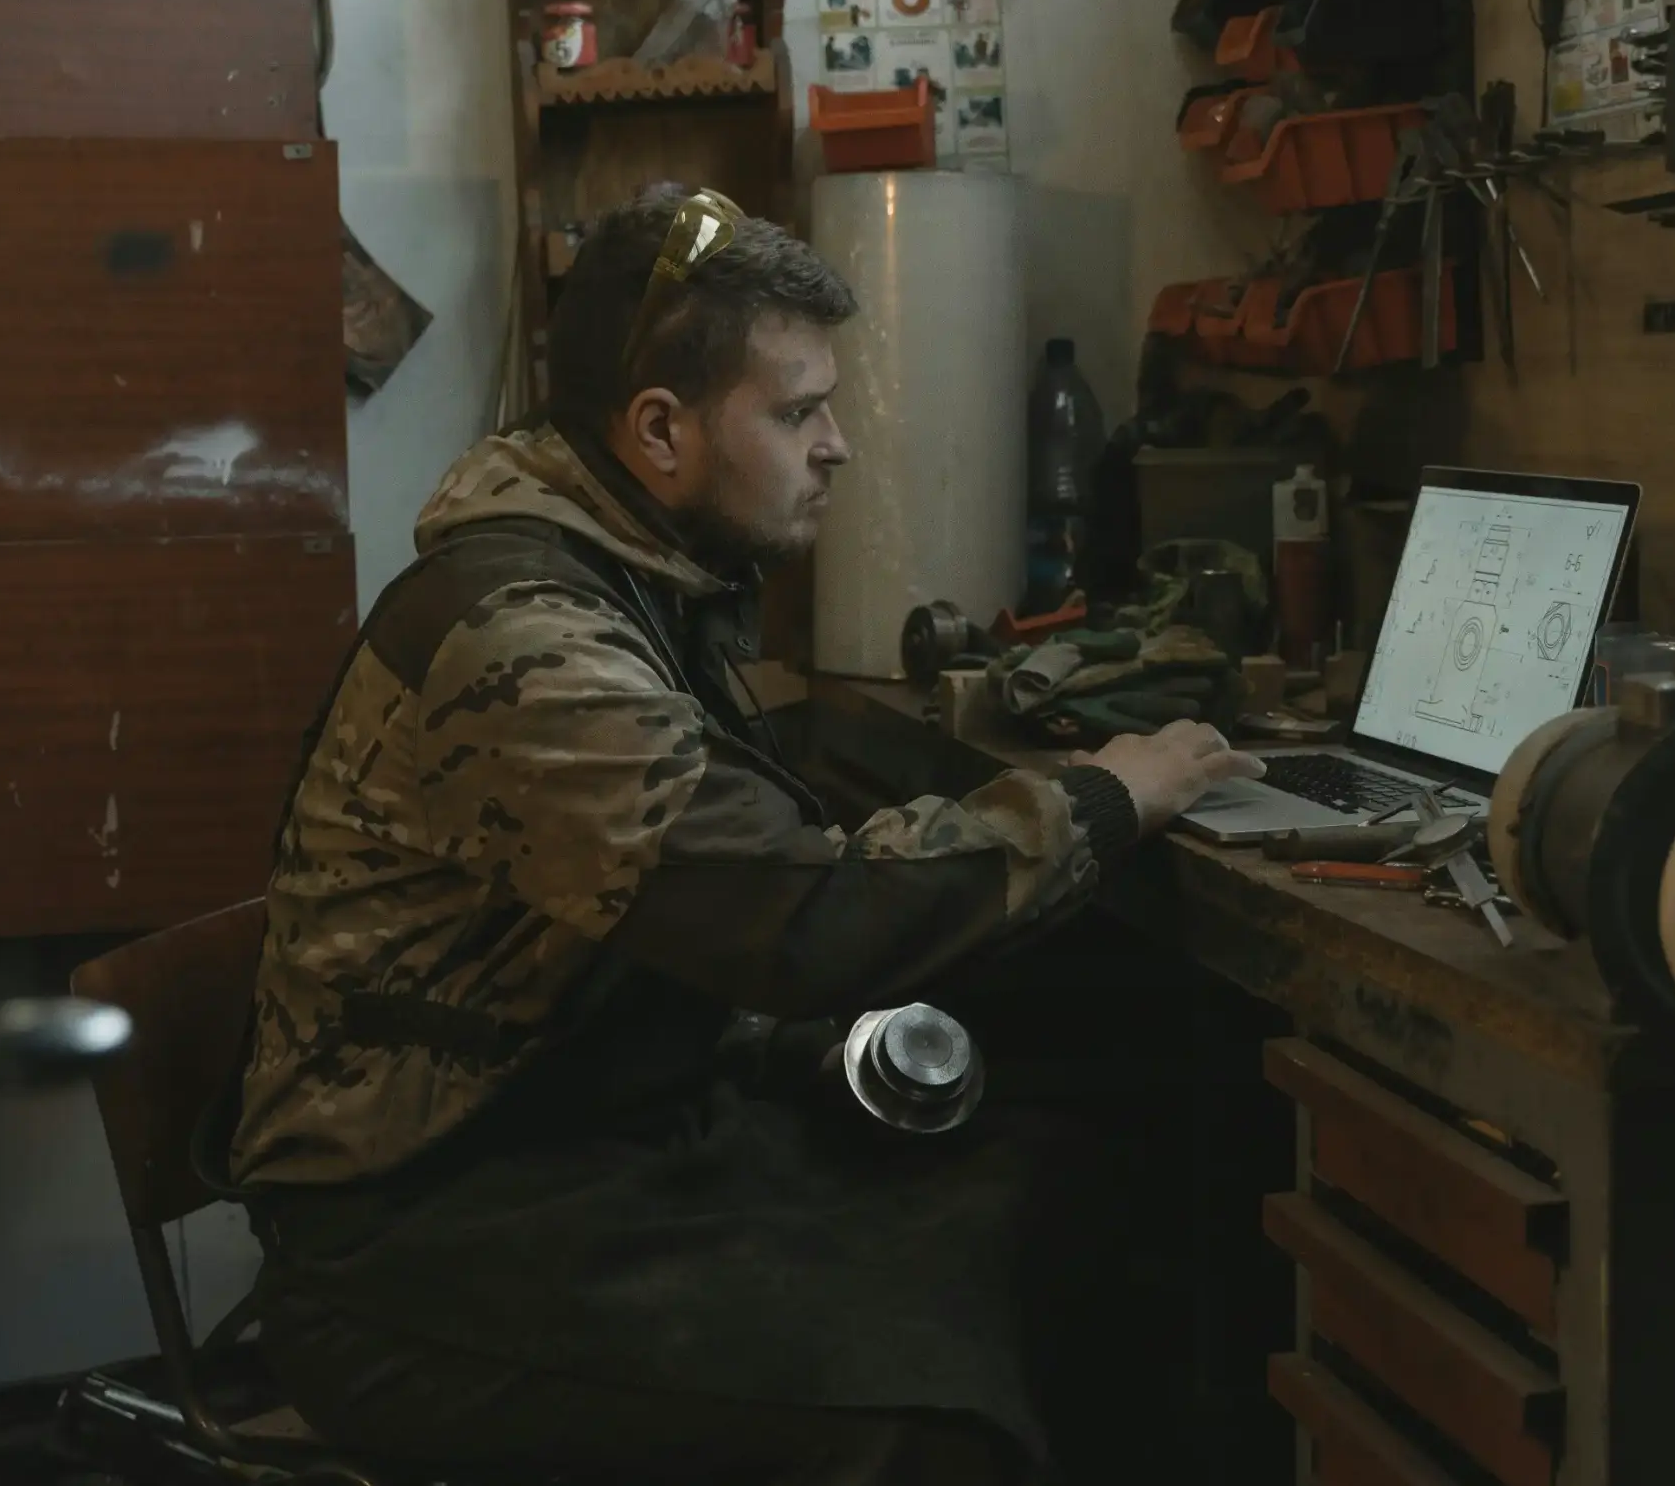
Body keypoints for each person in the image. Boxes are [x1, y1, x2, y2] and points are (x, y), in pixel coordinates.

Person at [222, 184, 1261, 1484]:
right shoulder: (524, 640)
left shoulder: (634, 575)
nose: (838, 446)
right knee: (934, 1422)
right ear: (661, 429)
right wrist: (1106, 795)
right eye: (795, 412)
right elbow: (802, 918)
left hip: (581, 1135)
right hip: (415, 1233)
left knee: (1063, 1199)